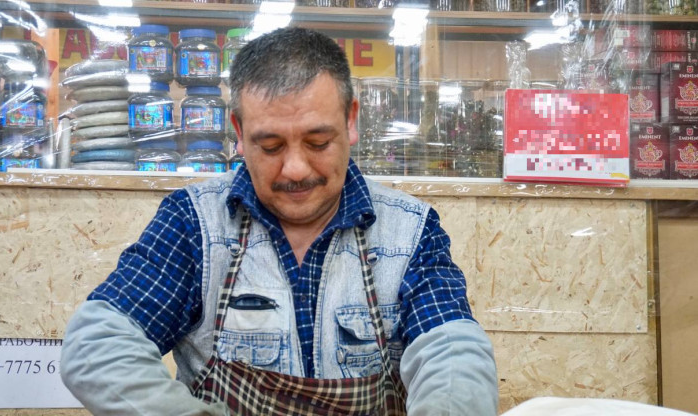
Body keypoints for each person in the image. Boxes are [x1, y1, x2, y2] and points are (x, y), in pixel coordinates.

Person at [60, 27, 498, 415]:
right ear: (238, 131)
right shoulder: (193, 226)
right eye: (270, 146)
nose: (295, 169)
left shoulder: (410, 231)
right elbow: (98, 347)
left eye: (318, 142)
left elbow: (452, 352)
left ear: (351, 120)